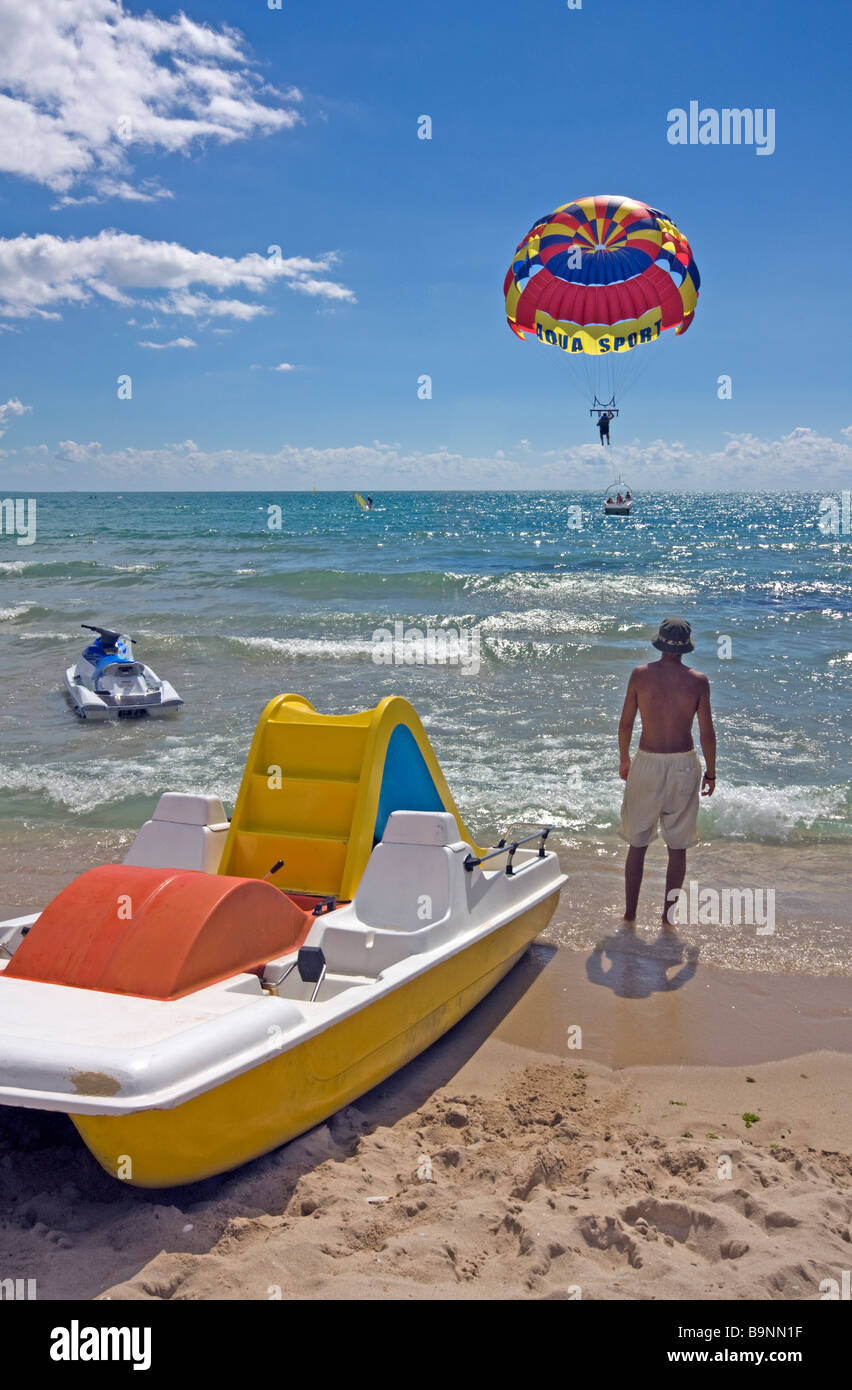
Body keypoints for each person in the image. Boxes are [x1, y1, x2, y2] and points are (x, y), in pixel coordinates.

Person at [617, 618, 717, 927]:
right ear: (686, 646)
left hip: (647, 761)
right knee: (677, 847)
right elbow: (706, 733)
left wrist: (624, 760)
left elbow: (626, 724)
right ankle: (667, 918)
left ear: (659, 642)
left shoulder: (640, 675)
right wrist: (711, 773)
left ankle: (630, 914)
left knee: (638, 843)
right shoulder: (698, 681)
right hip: (684, 764)